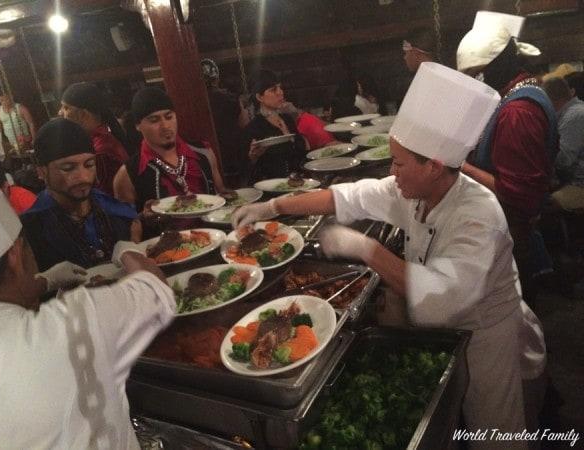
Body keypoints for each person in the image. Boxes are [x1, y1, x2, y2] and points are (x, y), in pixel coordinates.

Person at [232, 62, 546, 449]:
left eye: (398, 163)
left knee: (494, 437)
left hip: (485, 335)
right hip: (441, 331)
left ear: (432, 166)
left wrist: (367, 249)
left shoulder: (479, 215)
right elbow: (348, 195)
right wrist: (275, 208)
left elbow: (445, 295)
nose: (392, 172)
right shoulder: (413, 189)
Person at [0, 164, 176, 448]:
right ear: (14, 254)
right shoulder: (71, 321)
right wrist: (129, 250)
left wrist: (44, 282)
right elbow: (157, 291)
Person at [457, 11, 558, 308]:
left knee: (517, 304)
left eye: (476, 72)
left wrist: (458, 165)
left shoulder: (518, 112)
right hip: (512, 225)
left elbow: (518, 196)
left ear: (497, 65)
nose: (473, 80)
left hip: (514, 228)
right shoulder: (516, 91)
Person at [21, 118, 141, 272]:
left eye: (89, 165)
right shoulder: (31, 231)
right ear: (41, 172)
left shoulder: (119, 213)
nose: (83, 177)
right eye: (68, 168)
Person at [113, 87, 225, 212]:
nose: (165, 126)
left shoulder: (204, 153)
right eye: (154, 120)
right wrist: (145, 219)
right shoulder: (127, 174)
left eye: (169, 117)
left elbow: (222, 198)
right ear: (138, 125)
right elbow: (127, 225)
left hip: (213, 231)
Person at [59, 82, 131, 196]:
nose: (60, 112)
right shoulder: (97, 142)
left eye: (66, 108)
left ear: (83, 114)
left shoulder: (102, 151)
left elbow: (107, 198)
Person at [242, 69, 307, 184]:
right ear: (259, 97)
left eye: (280, 88)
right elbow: (248, 171)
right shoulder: (254, 128)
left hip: (300, 180)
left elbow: (301, 149)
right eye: (273, 90)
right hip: (273, 186)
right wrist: (253, 157)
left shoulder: (287, 119)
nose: (280, 92)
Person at [201, 58, 249, 186]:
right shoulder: (230, 98)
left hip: (206, 154)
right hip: (232, 152)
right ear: (217, 78)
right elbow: (244, 123)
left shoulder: (195, 102)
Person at [542, 77, 584, 211]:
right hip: (574, 180)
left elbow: (564, 160)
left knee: (542, 204)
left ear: (549, 100)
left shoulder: (575, 115)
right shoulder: (573, 112)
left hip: (580, 185)